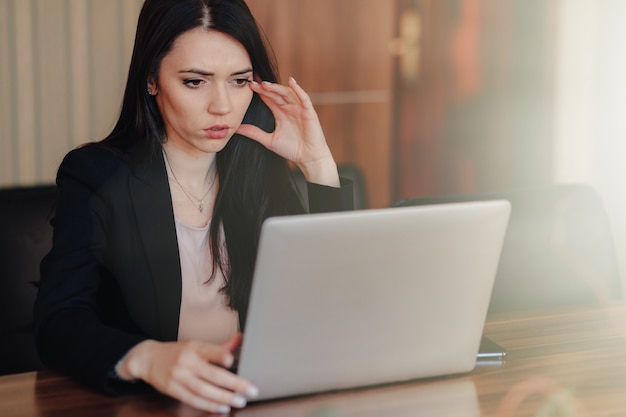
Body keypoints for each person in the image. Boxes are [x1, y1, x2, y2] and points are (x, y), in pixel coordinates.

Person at [33, 0, 353, 414]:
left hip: (254, 402)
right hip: (151, 407)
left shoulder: (259, 172)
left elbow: (333, 308)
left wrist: (316, 164)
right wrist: (147, 357)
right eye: (195, 82)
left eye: (239, 81)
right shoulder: (96, 175)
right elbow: (58, 321)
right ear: (152, 80)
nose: (222, 105)